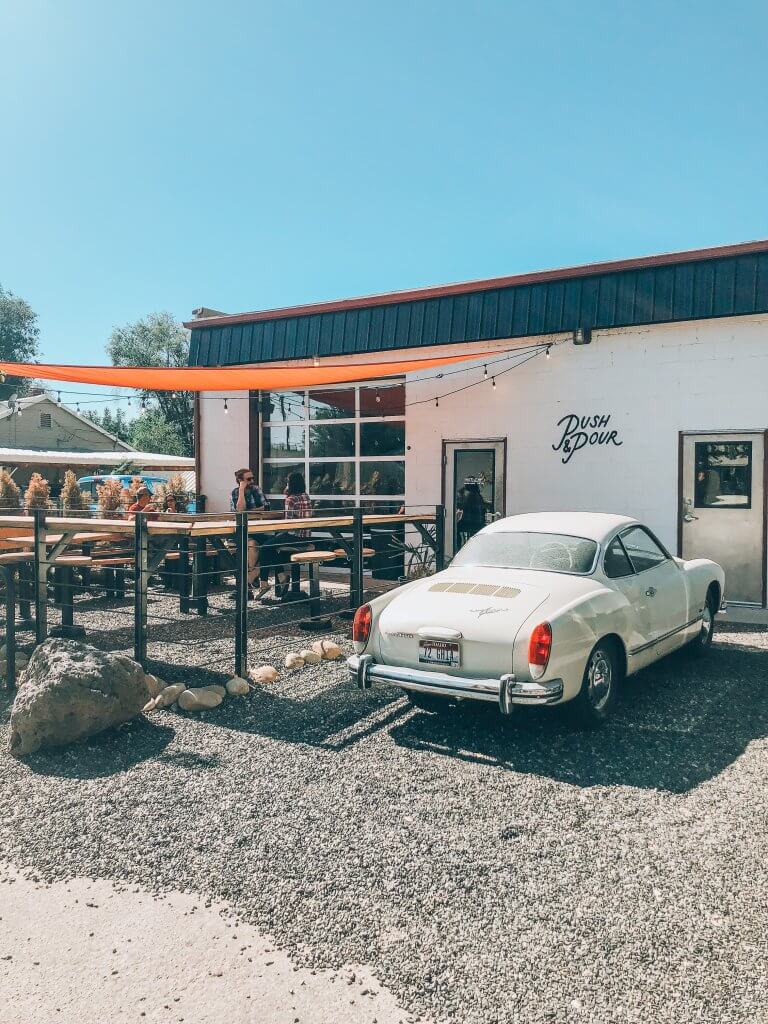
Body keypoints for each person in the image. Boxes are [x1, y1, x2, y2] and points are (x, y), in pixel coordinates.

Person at [229, 468, 272, 599]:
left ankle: (248, 580)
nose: (252, 481)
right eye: (248, 479)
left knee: (268, 547)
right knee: (252, 545)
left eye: (253, 478)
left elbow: (265, 507)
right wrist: (242, 490)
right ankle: (252, 578)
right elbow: (239, 510)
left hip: (259, 530)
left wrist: (248, 512)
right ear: (240, 481)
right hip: (243, 531)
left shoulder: (256, 489)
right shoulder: (235, 492)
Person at [456, 478, 486, 548]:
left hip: (471, 522)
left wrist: (460, 493)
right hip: (479, 523)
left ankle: (458, 549)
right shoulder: (479, 496)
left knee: (454, 528)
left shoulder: (470, 495)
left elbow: (462, 506)